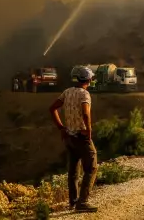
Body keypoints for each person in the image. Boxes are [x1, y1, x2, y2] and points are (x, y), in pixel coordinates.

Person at [49, 67, 98, 213]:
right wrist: (88, 131)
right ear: (88, 80)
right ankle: (82, 203)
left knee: (73, 170)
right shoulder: (85, 94)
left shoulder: (67, 91)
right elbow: (85, 113)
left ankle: (73, 201)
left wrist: (61, 128)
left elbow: (52, 108)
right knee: (92, 168)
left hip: (69, 137)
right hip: (81, 137)